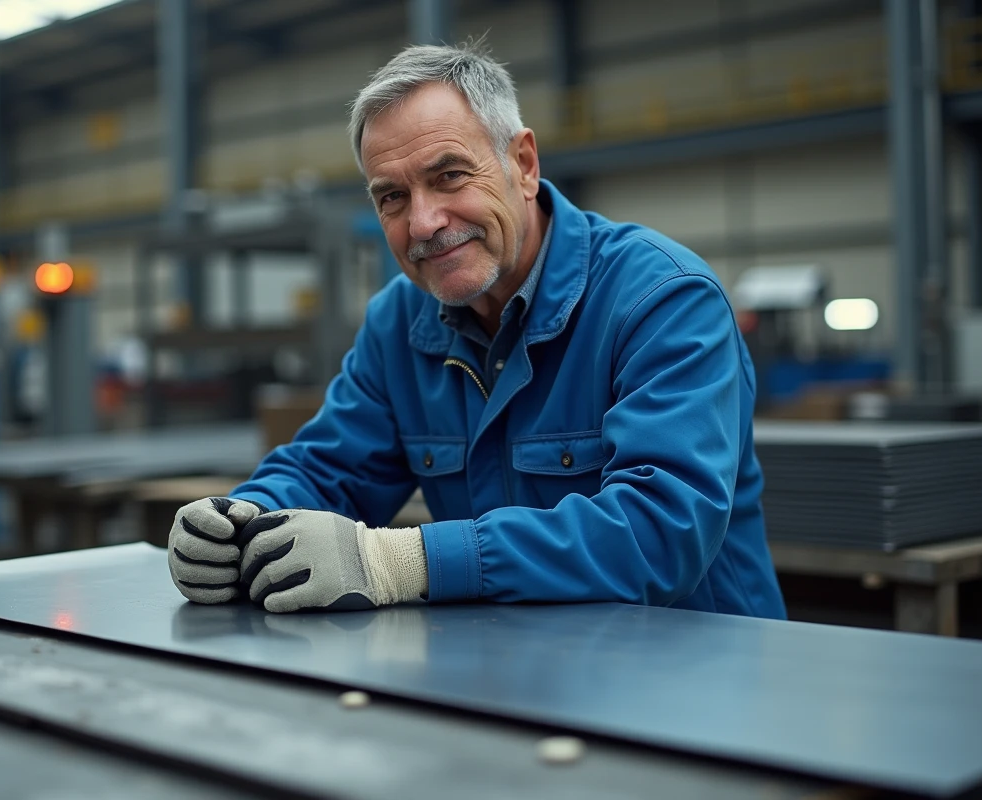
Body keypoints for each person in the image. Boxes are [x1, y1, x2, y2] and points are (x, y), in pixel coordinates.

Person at [168, 42, 786, 619]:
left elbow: (659, 532)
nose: (424, 223)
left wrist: (403, 562)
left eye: (449, 176)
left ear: (522, 164)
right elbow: (330, 471)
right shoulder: (399, 324)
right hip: (514, 670)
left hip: (693, 679)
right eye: (391, 198)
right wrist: (244, 519)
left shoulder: (662, 301)